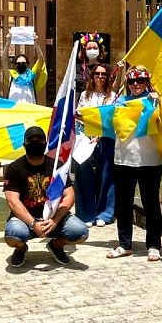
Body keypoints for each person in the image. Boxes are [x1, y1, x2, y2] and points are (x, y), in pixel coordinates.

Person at [3, 126, 89, 267]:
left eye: (40, 140)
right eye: (31, 140)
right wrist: (32, 223)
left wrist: (55, 220)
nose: (35, 143)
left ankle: (56, 245)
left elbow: (69, 196)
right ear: (24, 144)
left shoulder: (57, 166)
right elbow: (12, 201)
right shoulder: (14, 168)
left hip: (54, 217)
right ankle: (21, 248)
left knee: (81, 233)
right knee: (13, 235)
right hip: (25, 219)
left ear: (45, 144)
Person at [107, 66, 162, 261]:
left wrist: (158, 103)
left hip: (150, 159)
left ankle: (154, 245)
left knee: (151, 204)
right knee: (123, 204)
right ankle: (124, 244)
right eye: (132, 81)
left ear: (147, 81)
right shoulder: (119, 102)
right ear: (127, 84)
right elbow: (103, 119)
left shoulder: (155, 100)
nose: (136, 84)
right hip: (123, 160)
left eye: (140, 80)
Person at [73, 62, 122, 228]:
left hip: (106, 139)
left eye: (103, 74)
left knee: (106, 176)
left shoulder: (112, 96)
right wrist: (89, 134)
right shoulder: (84, 96)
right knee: (84, 175)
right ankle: (86, 213)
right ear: (92, 76)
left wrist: (99, 136)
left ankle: (105, 213)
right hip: (85, 140)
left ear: (108, 77)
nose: (100, 77)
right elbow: (79, 116)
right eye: (97, 74)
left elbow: (112, 119)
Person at [0, 32, 45, 103]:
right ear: (15, 65)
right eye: (18, 63)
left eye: (23, 63)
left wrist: (36, 44)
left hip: (29, 111)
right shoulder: (11, 77)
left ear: (27, 64)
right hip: (14, 111)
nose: (21, 65)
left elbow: (41, 60)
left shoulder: (31, 76)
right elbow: (3, 61)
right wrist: (7, 44)